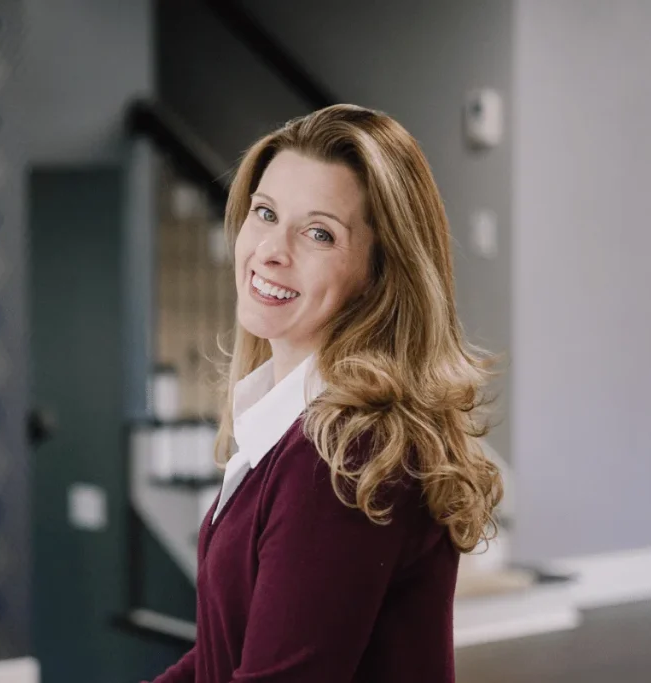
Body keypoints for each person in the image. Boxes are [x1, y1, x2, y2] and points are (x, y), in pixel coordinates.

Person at [148, 104, 503, 683]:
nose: (270, 250)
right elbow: (223, 655)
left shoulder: (343, 455)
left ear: (379, 272)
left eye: (319, 233)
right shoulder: (291, 425)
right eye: (264, 213)